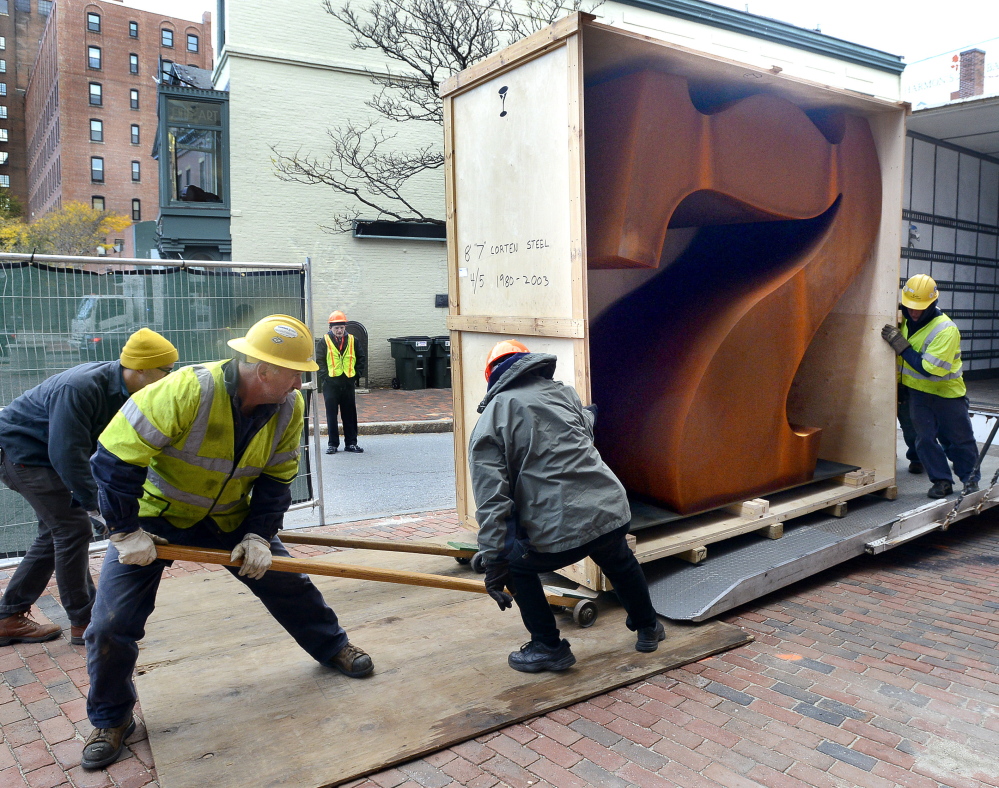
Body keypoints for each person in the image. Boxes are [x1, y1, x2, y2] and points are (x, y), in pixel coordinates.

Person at [81, 315, 373, 771]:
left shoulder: (288, 407)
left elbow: (277, 479)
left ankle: (333, 646)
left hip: (228, 518)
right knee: (109, 625)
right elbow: (115, 458)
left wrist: (259, 534)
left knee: (287, 582)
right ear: (263, 370)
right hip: (158, 518)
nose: (299, 383)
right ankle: (111, 719)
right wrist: (123, 531)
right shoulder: (185, 391)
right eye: (294, 373)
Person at [468, 339, 665, 673]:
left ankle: (548, 647)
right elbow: (580, 433)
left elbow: (492, 500)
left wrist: (494, 561)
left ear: (492, 375)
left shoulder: (493, 417)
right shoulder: (563, 392)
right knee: (618, 559)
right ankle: (649, 628)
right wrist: (589, 416)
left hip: (559, 527)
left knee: (518, 565)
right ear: (529, 363)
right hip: (608, 509)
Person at [0, 329, 178, 647]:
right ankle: (84, 620)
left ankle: (8, 615)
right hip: (23, 453)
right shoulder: (81, 387)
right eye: (166, 370)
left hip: (49, 455)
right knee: (73, 530)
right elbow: (66, 453)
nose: (170, 377)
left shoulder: (131, 391)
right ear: (140, 368)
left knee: (55, 532)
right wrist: (98, 508)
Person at [882, 274, 980, 498]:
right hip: (918, 394)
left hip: (947, 395)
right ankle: (941, 481)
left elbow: (927, 368)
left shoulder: (946, 330)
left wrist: (900, 345)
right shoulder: (905, 318)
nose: (914, 313)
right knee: (924, 439)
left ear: (933, 304)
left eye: (920, 309)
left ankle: (970, 479)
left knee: (959, 440)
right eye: (909, 308)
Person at [316, 310, 366, 454]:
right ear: (330, 328)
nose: (339, 330)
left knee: (350, 414)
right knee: (331, 414)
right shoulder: (323, 341)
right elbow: (319, 361)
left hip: (348, 382)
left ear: (345, 327)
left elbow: (361, 358)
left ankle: (351, 443)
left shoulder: (353, 340)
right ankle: (333, 444)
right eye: (336, 328)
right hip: (331, 384)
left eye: (341, 327)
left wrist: (356, 376)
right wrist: (326, 377)